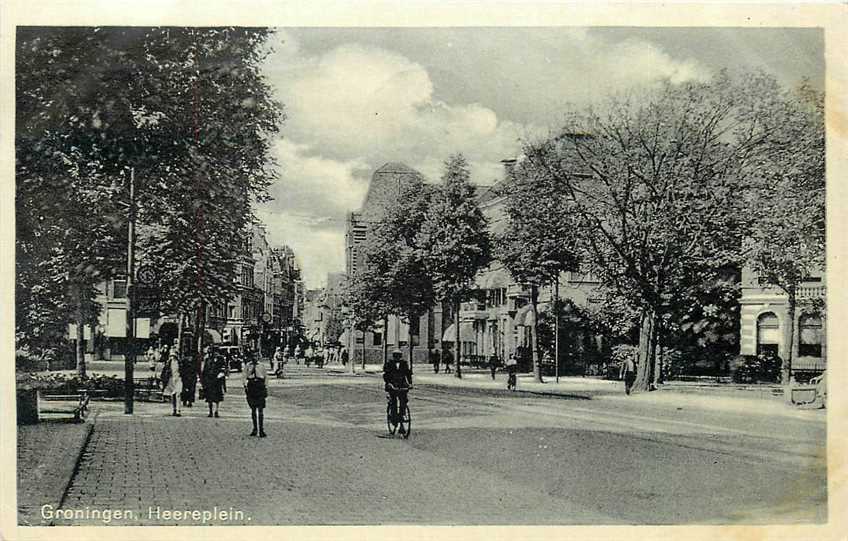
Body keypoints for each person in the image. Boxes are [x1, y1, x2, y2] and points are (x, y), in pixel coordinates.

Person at [383, 349, 412, 435]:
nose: (397, 357)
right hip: (392, 385)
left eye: (399, 356)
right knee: (394, 402)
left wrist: (410, 383)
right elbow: (386, 374)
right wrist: (388, 383)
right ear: (393, 356)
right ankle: (394, 418)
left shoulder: (404, 364)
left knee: (404, 400)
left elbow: (408, 374)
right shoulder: (389, 364)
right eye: (396, 356)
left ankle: (402, 415)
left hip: (402, 385)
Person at [243, 352, 268, 437]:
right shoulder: (248, 365)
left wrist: (265, 387)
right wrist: (245, 385)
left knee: (260, 410)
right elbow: (244, 376)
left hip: (260, 386)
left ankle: (261, 430)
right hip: (252, 386)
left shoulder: (261, 366)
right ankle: (255, 429)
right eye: (253, 356)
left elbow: (265, 377)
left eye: (256, 356)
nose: (255, 357)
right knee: (253, 409)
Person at [201, 346, 226, 418]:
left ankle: (216, 411)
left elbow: (224, 369)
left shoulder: (221, 359)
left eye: (216, 352)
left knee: (217, 397)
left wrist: (221, 374)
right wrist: (203, 380)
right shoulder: (208, 360)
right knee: (209, 397)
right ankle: (210, 411)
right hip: (209, 380)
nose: (215, 354)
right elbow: (205, 370)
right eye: (213, 352)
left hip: (217, 380)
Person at [161, 349, 182, 416]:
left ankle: (178, 410)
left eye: (174, 355)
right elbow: (164, 372)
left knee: (178, 394)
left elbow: (184, 371)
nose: (172, 357)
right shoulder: (168, 363)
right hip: (171, 379)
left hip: (178, 379)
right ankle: (174, 409)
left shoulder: (180, 362)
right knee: (173, 395)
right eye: (171, 355)